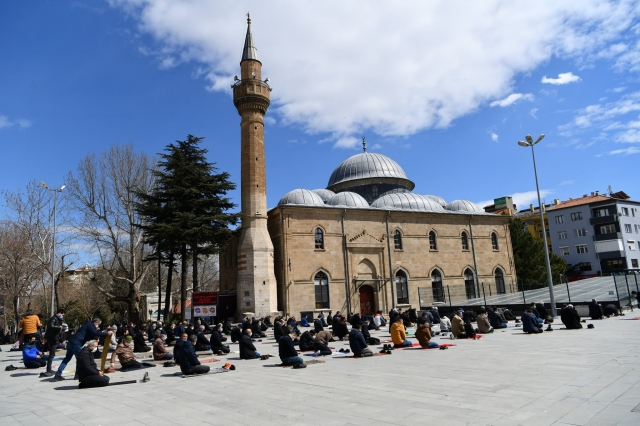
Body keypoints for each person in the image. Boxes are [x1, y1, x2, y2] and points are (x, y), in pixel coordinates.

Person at [42, 308, 65, 376]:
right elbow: (51, 326)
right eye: (62, 314)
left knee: (52, 354)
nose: (62, 316)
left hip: (54, 337)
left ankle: (49, 369)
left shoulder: (57, 319)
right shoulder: (54, 318)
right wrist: (59, 327)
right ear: (60, 313)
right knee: (51, 354)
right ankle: (48, 369)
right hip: (52, 338)